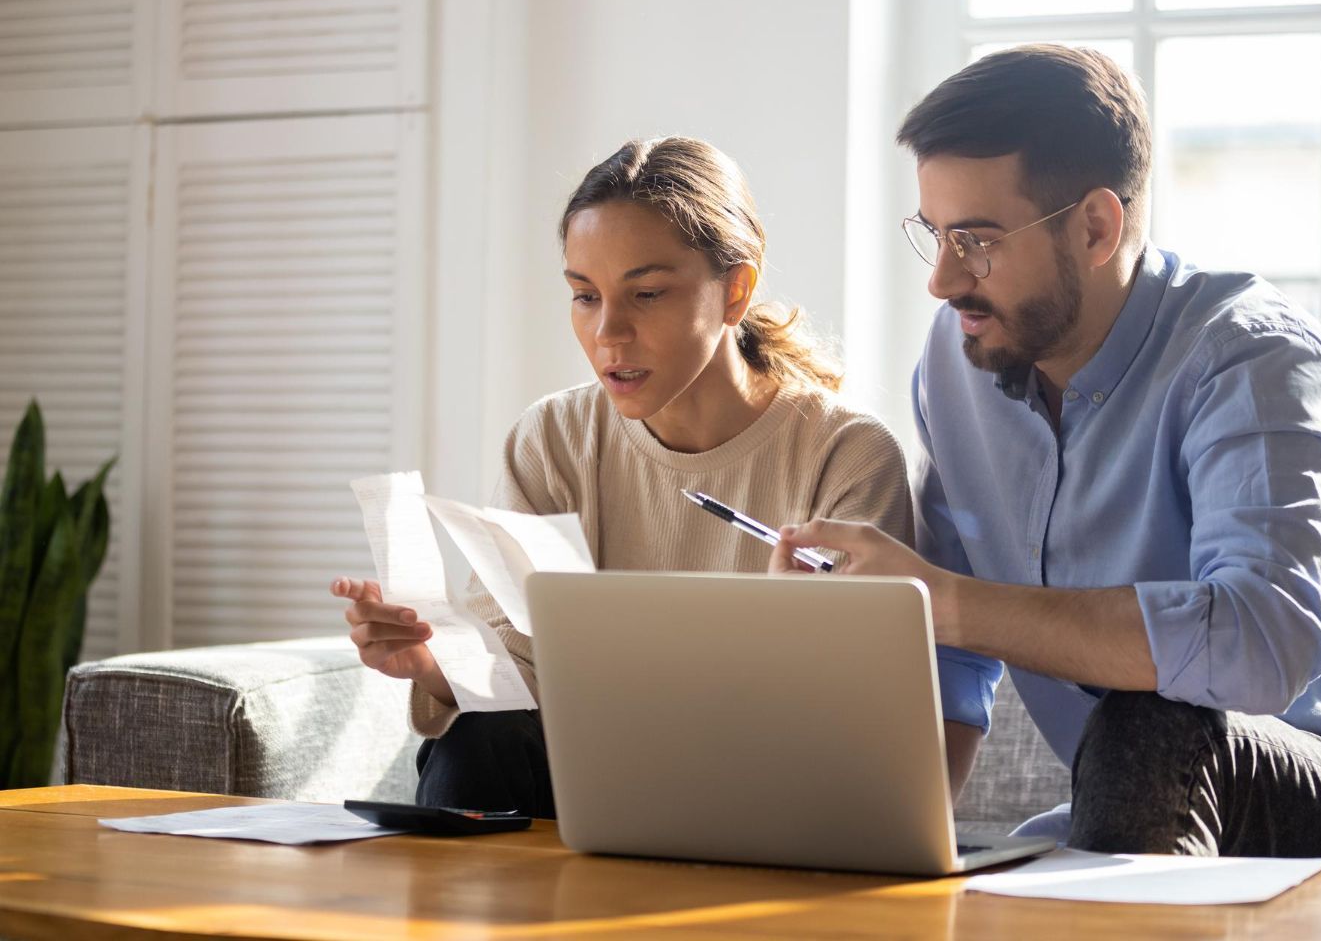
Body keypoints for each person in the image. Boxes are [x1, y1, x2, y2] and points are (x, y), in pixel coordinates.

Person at [772, 45, 1321, 865]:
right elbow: (950, 658)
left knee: (1150, 718)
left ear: (1096, 226)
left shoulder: (1253, 361)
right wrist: (887, 854)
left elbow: (1262, 640)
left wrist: (948, 599)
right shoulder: (959, 360)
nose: (941, 280)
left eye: (975, 240)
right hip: (1141, 813)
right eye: (933, 234)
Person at [333, 136, 914, 816]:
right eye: (585, 296)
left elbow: (856, 721)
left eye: (646, 293)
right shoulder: (551, 439)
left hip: (764, 787)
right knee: (479, 739)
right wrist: (429, 664)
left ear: (735, 289)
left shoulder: (846, 454)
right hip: (590, 790)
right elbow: (517, 674)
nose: (610, 332)